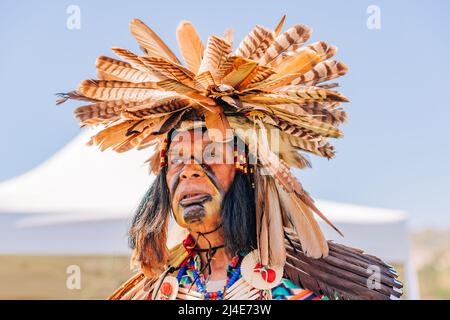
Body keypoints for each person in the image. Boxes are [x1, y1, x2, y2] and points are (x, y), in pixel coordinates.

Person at [58, 16, 403, 300]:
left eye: (211, 154)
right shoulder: (154, 292)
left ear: (246, 172)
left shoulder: (303, 287)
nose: (190, 171)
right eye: (176, 159)